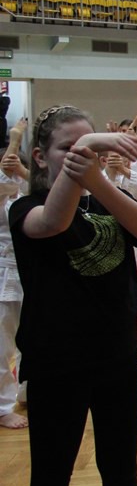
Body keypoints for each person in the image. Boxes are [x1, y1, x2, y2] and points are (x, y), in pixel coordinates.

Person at [11, 105, 137, 486]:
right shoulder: (25, 207)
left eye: (87, 148)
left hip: (116, 360)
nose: (81, 156)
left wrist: (97, 180)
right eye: (69, 149)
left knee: (121, 473)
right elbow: (52, 223)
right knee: (50, 482)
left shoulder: (103, 200)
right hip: (58, 366)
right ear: (41, 158)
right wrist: (92, 147)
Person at [105, 118, 137, 362]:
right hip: (106, 247)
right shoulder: (99, 178)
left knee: (136, 297)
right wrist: (110, 172)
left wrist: (125, 171)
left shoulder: (132, 173)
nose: (121, 160)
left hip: (131, 247)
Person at [0, 118, 28, 430]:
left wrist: (21, 169)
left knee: (30, 339)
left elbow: (48, 190)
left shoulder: (27, 195)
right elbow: (3, 182)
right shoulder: (2, 196)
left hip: (31, 275)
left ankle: (27, 392)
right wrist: (15, 139)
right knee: (2, 344)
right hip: (3, 277)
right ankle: (2, 406)